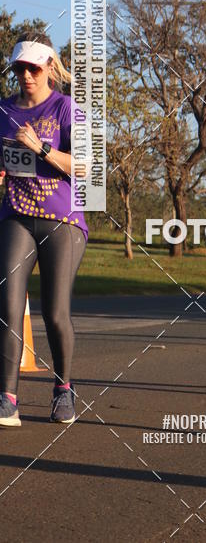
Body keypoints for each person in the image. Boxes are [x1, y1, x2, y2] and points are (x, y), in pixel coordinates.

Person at [0, 33, 87, 428]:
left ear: (50, 67)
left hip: (63, 221)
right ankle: (7, 398)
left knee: (54, 313)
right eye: (19, 68)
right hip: (16, 214)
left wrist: (42, 148)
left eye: (33, 68)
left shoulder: (66, 109)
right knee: (8, 307)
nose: (26, 75)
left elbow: (86, 169)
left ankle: (63, 389)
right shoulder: (3, 110)